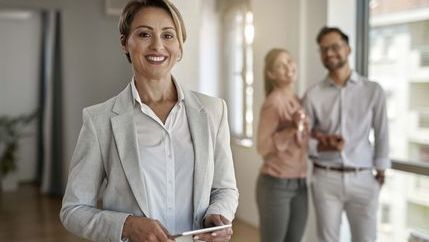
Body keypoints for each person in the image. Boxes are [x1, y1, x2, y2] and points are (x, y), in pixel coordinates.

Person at [59, 1, 239, 242]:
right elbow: (73, 210)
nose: (157, 45)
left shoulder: (213, 111)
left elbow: (225, 188)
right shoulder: (99, 120)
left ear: (179, 45)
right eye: (144, 34)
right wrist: (127, 226)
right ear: (124, 42)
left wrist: (218, 214)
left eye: (168, 35)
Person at [302, 26, 390, 242]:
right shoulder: (313, 94)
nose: (329, 53)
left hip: (363, 178)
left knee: (366, 239)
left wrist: (381, 170)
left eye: (335, 47)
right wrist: (324, 146)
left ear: (348, 49)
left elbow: (382, 132)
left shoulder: (373, 90)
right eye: (324, 49)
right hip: (325, 178)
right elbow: (303, 140)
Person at [256, 48, 309, 242]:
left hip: (300, 183)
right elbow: (262, 147)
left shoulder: (297, 100)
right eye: (281, 65)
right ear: (271, 74)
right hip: (276, 184)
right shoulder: (274, 102)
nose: (288, 67)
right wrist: (291, 129)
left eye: (289, 61)